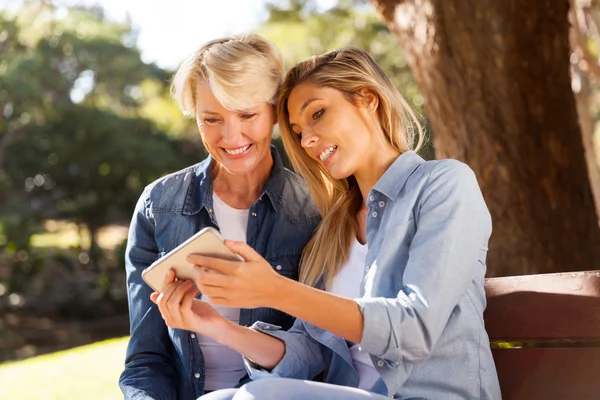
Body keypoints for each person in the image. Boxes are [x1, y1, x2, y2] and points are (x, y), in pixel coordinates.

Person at [159, 47, 501, 399]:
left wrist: (274, 289)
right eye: (296, 131)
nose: (307, 140)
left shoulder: (443, 184)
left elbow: (414, 330)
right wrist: (217, 326)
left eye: (318, 114)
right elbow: (312, 352)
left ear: (368, 99)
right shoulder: (332, 229)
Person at [118, 34, 320, 400]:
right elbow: (146, 361)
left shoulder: (314, 210)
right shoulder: (158, 206)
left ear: (274, 110)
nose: (231, 136)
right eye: (211, 119)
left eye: (247, 115)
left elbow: (318, 356)